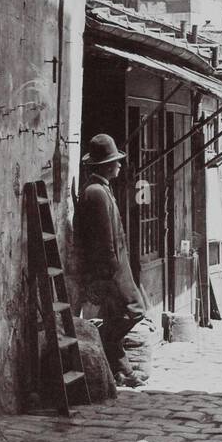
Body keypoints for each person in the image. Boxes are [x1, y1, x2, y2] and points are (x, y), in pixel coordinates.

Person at [75, 133, 148, 384]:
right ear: (106, 165)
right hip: (111, 270)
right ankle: (100, 341)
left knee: (123, 313)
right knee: (133, 311)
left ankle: (122, 372)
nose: (119, 165)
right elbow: (103, 241)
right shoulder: (96, 192)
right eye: (115, 161)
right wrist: (107, 275)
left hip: (118, 267)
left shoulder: (101, 189)